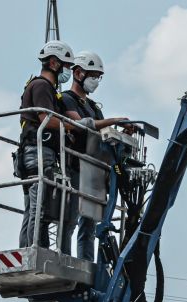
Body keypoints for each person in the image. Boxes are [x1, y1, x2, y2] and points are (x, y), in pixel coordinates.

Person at [61, 50, 127, 260]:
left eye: (98, 77)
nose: (95, 81)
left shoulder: (92, 107)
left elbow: (102, 132)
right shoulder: (67, 99)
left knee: (90, 221)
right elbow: (78, 125)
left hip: (94, 168)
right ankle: (64, 257)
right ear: (78, 73)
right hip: (74, 164)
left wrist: (123, 132)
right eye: (92, 75)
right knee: (71, 216)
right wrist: (114, 120)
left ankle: (86, 260)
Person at [18, 40, 75, 250]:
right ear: (54, 63)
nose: (67, 72)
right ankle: (32, 250)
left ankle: (29, 248)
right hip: (38, 152)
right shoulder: (42, 85)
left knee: (33, 207)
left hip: (33, 152)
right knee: (38, 208)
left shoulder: (46, 88)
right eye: (66, 66)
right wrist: (72, 127)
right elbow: (46, 119)